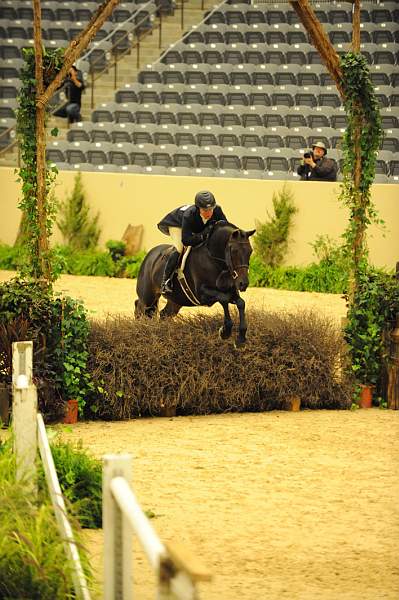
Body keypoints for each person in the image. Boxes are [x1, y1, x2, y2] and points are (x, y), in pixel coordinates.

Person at [157, 191, 228, 293]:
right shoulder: (189, 215)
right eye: (205, 210)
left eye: (210, 209)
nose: (208, 213)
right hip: (176, 224)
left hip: (195, 227)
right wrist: (203, 235)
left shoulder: (217, 210)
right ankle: (166, 282)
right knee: (180, 248)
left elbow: (225, 227)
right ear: (198, 208)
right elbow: (186, 240)